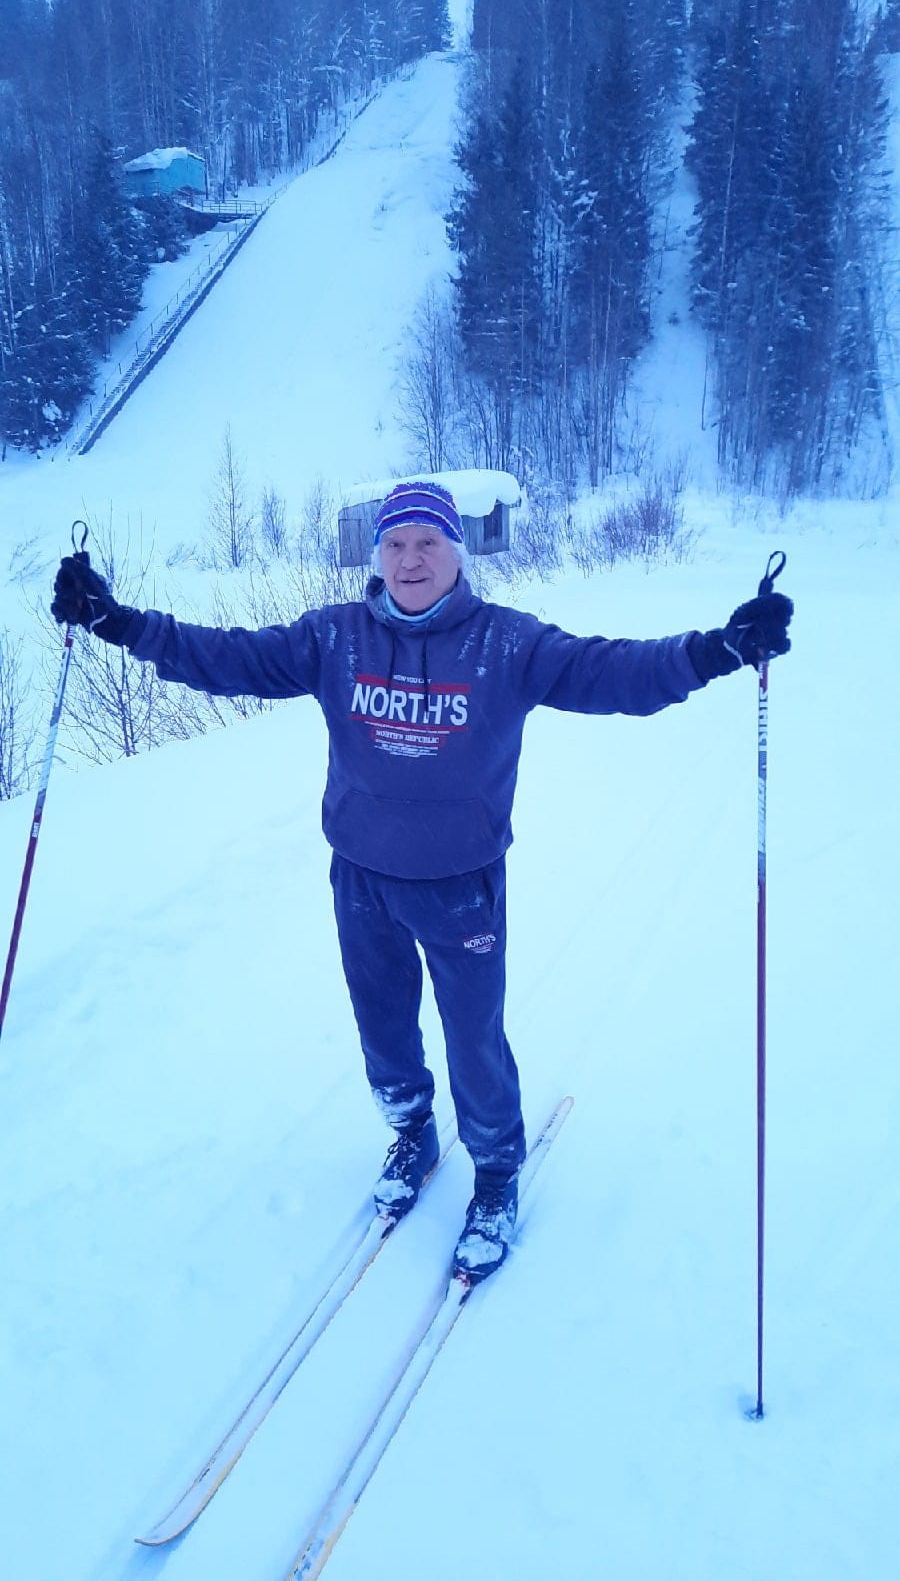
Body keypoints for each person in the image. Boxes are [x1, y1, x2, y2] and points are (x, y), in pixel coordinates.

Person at [52, 480, 793, 1281]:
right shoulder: (333, 638)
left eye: (428, 543)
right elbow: (229, 657)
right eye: (396, 544)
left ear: (456, 553)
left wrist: (717, 650)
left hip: (460, 885)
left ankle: (497, 1174)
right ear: (377, 557)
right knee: (383, 1028)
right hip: (360, 877)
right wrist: (114, 622)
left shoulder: (507, 644)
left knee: (474, 1037)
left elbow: (612, 673)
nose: (410, 559)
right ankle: (411, 1130)